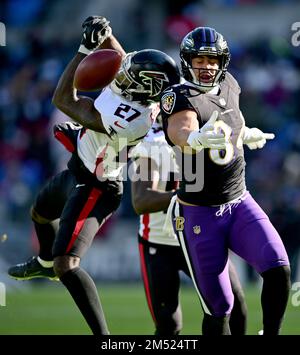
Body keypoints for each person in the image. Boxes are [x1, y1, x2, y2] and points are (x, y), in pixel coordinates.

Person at [8, 16, 181, 335]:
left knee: (68, 264)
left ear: (147, 87)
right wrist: (108, 34)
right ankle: (44, 263)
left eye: (134, 75)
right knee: (40, 214)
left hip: (98, 185)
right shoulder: (139, 90)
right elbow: (127, 61)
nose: (125, 74)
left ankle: (103, 336)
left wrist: (84, 48)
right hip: (80, 166)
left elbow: (63, 100)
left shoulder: (134, 119)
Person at [160, 27, 291, 335]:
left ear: (223, 63)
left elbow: (232, 119)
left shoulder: (230, 84)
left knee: (278, 268)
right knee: (220, 308)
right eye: (199, 59)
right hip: (198, 213)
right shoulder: (178, 95)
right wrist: (193, 137)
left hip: (239, 201)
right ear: (186, 61)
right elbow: (179, 130)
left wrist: (244, 133)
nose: (206, 66)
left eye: (213, 60)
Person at [130, 117, 247, 335]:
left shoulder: (207, 136)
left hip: (198, 237)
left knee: (236, 305)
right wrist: (184, 196)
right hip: (159, 243)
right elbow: (141, 201)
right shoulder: (153, 143)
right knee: (169, 326)